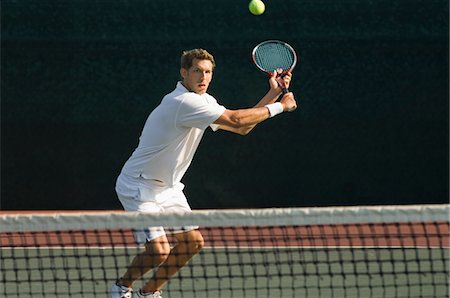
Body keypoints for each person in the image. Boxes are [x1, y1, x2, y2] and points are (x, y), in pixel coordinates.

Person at [110, 48, 297, 298]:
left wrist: (273, 94)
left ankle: (149, 292)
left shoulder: (204, 100)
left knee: (193, 243)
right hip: (139, 186)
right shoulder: (183, 102)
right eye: (197, 71)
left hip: (169, 188)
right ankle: (121, 288)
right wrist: (280, 107)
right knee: (158, 251)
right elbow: (238, 120)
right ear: (184, 73)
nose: (203, 77)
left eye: (208, 72)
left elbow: (242, 128)